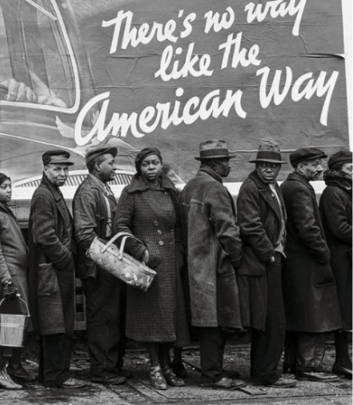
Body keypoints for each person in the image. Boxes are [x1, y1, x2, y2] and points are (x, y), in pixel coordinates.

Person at [113, 147, 189, 391]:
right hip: (146, 265)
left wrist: (177, 254)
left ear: (161, 164)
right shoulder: (130, 193)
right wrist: (141, 251)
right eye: (146, 164)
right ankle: (155, 366)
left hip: (169, 263)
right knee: (151, 318)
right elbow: (120, 227)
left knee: (169, 318)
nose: (151, 168)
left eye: (155, 163)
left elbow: (178, 227)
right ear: (139, 168)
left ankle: (166, 365)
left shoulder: (170, 191)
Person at [179, 140, 246, 391]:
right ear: (215, 163)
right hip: (216, 266)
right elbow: (228, 231)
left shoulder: (190, 186)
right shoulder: (214, 188)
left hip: (195, 265)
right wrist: (237, 257)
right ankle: (212, 374)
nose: (228, 164)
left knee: (209, 321)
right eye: (225, 161)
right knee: (216, 322)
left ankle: (213, 369)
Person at [235, 144, 297, 388]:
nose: (269, 170)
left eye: (273, 167)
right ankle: (266, 373)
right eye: (264, 166)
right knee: (270, 320)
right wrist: (269, 254)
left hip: (274, 257)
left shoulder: (272, 187)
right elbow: (250, 225)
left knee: (273, 319)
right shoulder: (251, 188)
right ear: (257, 167)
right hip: (263, 262)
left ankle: (266, 370)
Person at [281, 147, 342, 381]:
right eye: (315, 164)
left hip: (297, 262)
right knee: (313, 316)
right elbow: (308, 228)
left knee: (300, 315)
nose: (319, 168)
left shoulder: (290, 185)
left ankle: (293, 364)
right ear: (300, 167)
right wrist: (324, 254)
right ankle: (309, 367)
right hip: (308, 262)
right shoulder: (299, 188)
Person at [28, 150, 85, 389]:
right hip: (51, 270)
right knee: (56, 326)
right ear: (46, 169)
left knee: (56, 324)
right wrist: (66, 259)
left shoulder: (52, 192)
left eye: (66, 169)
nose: (63, 173)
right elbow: (44, 236)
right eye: (58, 169)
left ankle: (49, 375)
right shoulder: (43, 195)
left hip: (53, 268)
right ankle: (56, 376)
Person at [72, 146, 128, 386]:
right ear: (97, 166)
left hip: (109, 265)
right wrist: (112, 259)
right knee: (101, 318)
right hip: (99, 268)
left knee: (112, 317)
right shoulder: (87, 191)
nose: (115, 167)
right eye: (111, 163)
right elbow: (84, 234)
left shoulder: (103, 188)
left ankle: (112, 367)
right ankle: (101, 370)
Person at [0, 172, 34, 390]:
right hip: (7, 277)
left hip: (16, 274)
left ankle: (14, 367)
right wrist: (7, 281)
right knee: (5, 324)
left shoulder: (2, 209)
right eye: (3, 187)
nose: (9, 190)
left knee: (16, 322)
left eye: (10, 185)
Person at [319, 150, 352, 379]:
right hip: (342, 260)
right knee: (344, 310)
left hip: (348, 257)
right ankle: (342, 360)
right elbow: (339, 228)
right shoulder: (333, 193)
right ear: (338, 171)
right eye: (350, 169)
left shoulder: (346, 191)